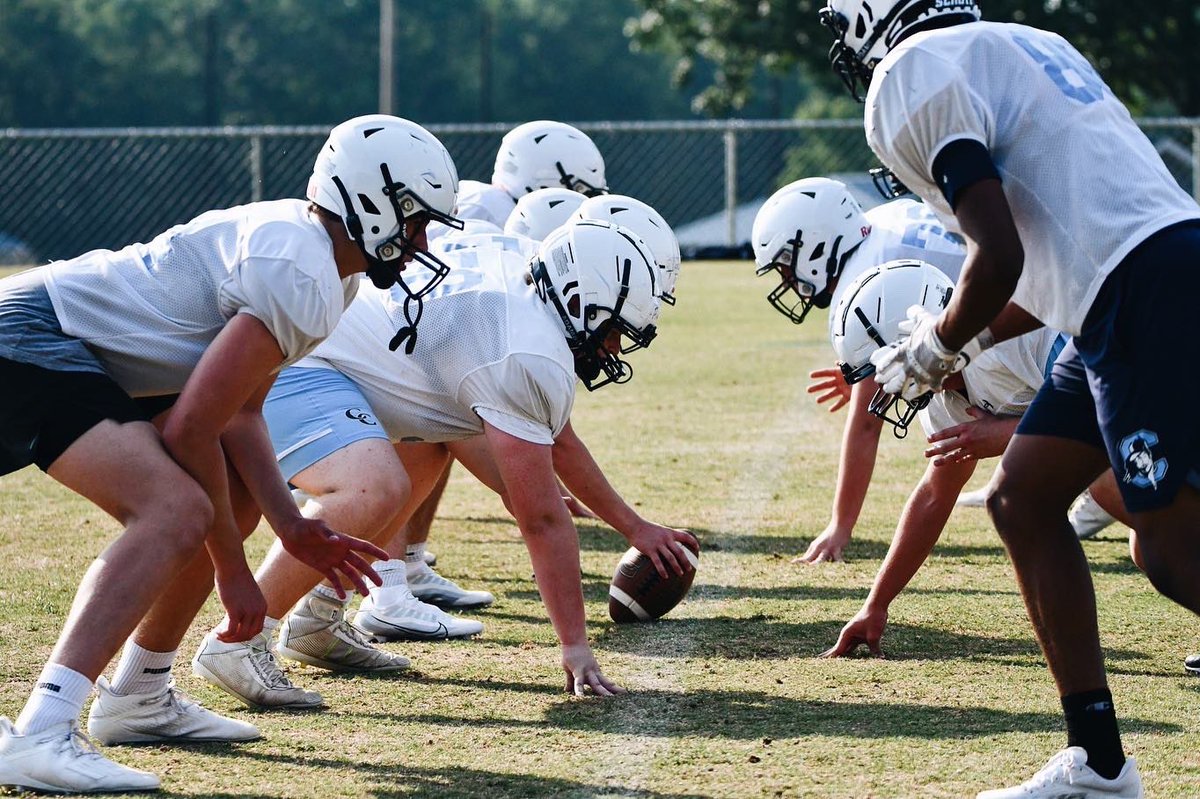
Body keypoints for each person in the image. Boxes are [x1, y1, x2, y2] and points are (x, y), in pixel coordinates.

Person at [0, 114, 459, 792]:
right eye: (414, 219)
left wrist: (291, 524)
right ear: (368, 201)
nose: (421, 239)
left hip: (73, 347)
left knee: (230, 496)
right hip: (36, 337)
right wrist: (234, 571)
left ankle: (139, 694)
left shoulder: (328, 271)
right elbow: (190, 430)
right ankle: (42, 728)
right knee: (177, 510)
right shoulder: (302, 268)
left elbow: (241, 413)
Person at [820, 0, 1200, 794]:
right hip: (1126, 284)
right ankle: (1097, 761)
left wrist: (936, 346)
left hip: (1137, 292)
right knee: (1021, 498)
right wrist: (976, 337)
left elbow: (998, 255)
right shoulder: (1030, 40)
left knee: (1169, 549)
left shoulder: (909, 73)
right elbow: (1051, 254)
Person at [192, 219, 695, 706]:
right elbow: (542, 519)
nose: (613, 348)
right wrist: (575, 647)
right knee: (373, 486)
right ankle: (239, 641)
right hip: (300, 361)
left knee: (431, 437)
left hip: (342, 354)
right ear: (580, 300)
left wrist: (634, 526)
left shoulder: (529, 277)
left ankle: (318, 617)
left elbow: (556, 440)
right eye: (612, 331)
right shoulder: (526, 348)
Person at [818, 259, 1065, 657]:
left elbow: (1106, 403)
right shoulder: (944, 397)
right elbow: (935, 494)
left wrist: (1004, 433)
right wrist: (876, 604)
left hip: (1160, 382)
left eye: (883, 367)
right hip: (1120, 420)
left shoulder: (1012, 339)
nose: (884, 385)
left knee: (1093, 497)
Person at [750, 177, 964, 563]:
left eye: (786, 263)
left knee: (950, 424)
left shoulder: (863, 277)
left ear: (817, 243)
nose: (787, 278)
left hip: (1016, 330)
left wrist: (840, 526)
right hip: (1025, 294)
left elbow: (867, 425)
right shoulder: (882, 221)